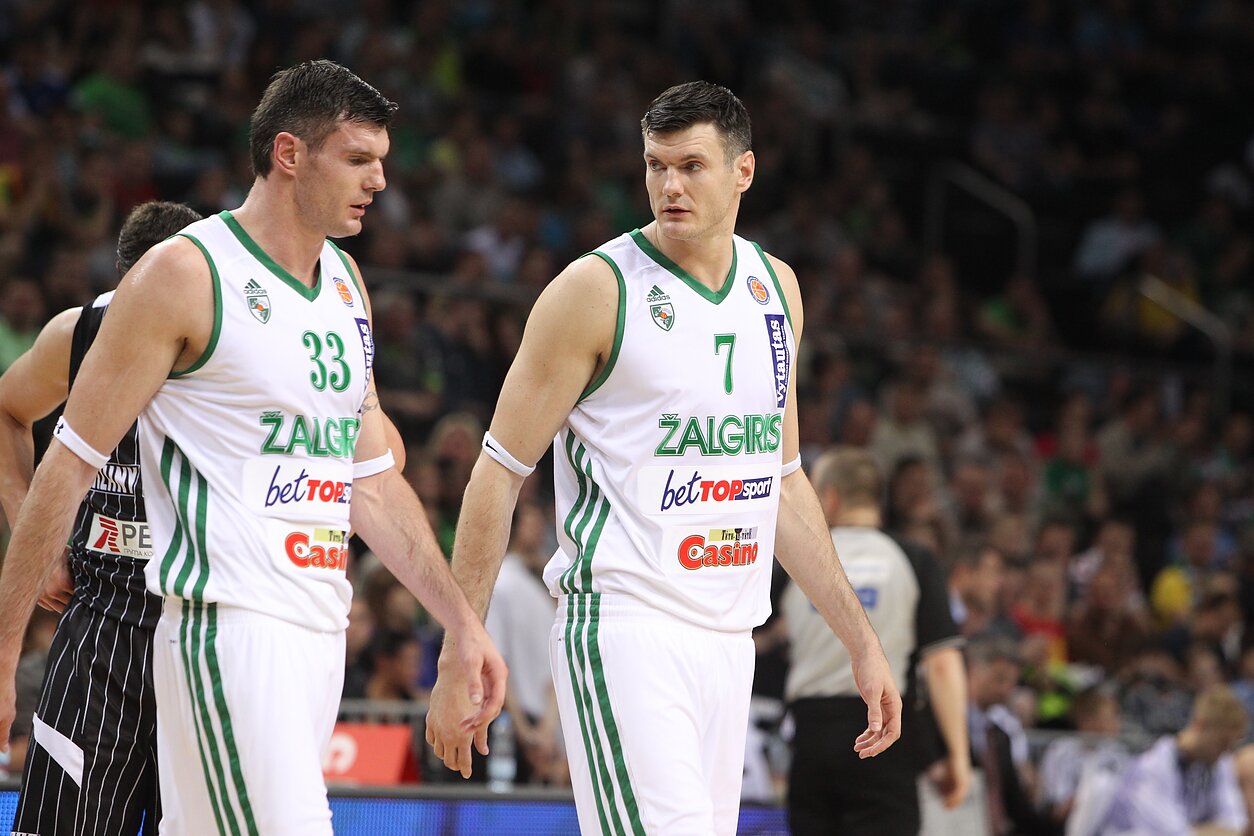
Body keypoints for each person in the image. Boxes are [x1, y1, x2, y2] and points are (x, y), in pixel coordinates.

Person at [0, 60, 505, 836]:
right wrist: (4, 655)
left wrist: (462, 624)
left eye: (382, 161)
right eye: (358, 159)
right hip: (221, 628)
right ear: (288, 153)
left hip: (317, 633)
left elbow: (372, 483)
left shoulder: (346, 284)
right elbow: (67, 466)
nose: (379, 180)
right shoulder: (185, 273)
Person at [425, 80, 900, 835]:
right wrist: (461, 644)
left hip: (730, 640)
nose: (669, 186)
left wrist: (861, 641)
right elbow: (498, 472)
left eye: (691, 166)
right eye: (656, 166)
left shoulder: (777, 289)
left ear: (744, 171)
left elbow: (781, 483)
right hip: (625, 629)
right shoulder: (596, 290)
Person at [0, 200, 202, 835]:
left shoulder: (238, 346)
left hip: (205, 630)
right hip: (100, 626)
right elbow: (6, 410)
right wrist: (37, 536)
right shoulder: (81, 332)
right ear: (127, 280)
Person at [781, 446, 968, 835]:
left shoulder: (791, 561)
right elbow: (942, 663)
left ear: (829, 496)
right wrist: (958, 754)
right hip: (885, 729)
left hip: (811, 735)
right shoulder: (914, 558)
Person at [1102, 684, 1248, 836]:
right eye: (1222, 742)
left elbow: (1236, 823)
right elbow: (1171, 833)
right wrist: (1212, 830)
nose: (1226, 750)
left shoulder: (1219, 762)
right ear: (1200, 725)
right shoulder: (1153, 764)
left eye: (1231, 745)